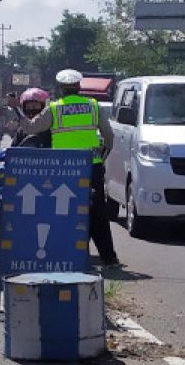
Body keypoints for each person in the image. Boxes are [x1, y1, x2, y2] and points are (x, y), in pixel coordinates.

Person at [21, 69, 119, 266]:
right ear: (79, 87)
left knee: (64, 212)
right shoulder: (93, 106)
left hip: (63, 170)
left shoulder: (54, 108)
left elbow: (31, 128)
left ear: (60, 89)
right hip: (91, 167)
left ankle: (65, 255)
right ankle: (109, 258)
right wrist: (103, 154)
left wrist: (17, 110)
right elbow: (109, 137)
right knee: (97, 213)